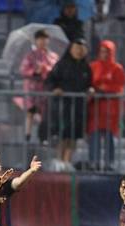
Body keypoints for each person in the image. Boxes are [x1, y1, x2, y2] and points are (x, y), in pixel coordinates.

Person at [46, 38, 92, 170]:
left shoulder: (86, 67)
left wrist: (90, 89)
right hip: (63, 106)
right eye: (76, 48)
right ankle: (59, 161)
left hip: (79, 107)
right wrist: (55, 89)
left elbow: (88, 84)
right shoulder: (62, 64)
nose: (79, 51)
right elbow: (50, 80)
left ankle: (67, 161)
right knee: (63, 135)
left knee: (74, 135)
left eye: (82, 48)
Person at [87, 40, 125, 172]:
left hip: (111, 110)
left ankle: (110, 164)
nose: (104, 54)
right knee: (94, 137)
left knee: (110, 138)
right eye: (102, 51)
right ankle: (94, 162)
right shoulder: (93, 66)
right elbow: (89, 83)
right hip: (95, 109)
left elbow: (119, 87)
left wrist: (103, 89)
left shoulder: (117, 68)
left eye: (107, 52)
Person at [18, 29, 58, 144]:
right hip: (32, 89)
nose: (43, 41)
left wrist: (47, 70)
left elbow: (56, 70)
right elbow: (23, 70)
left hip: (46, 88)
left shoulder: (53, 56)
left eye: (45, 39)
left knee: (44, 114)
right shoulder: (30, 56)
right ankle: (27, 135)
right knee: (30, 112)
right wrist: (35, 71)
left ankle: (43, 136)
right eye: (40, 39)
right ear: (36, 41)